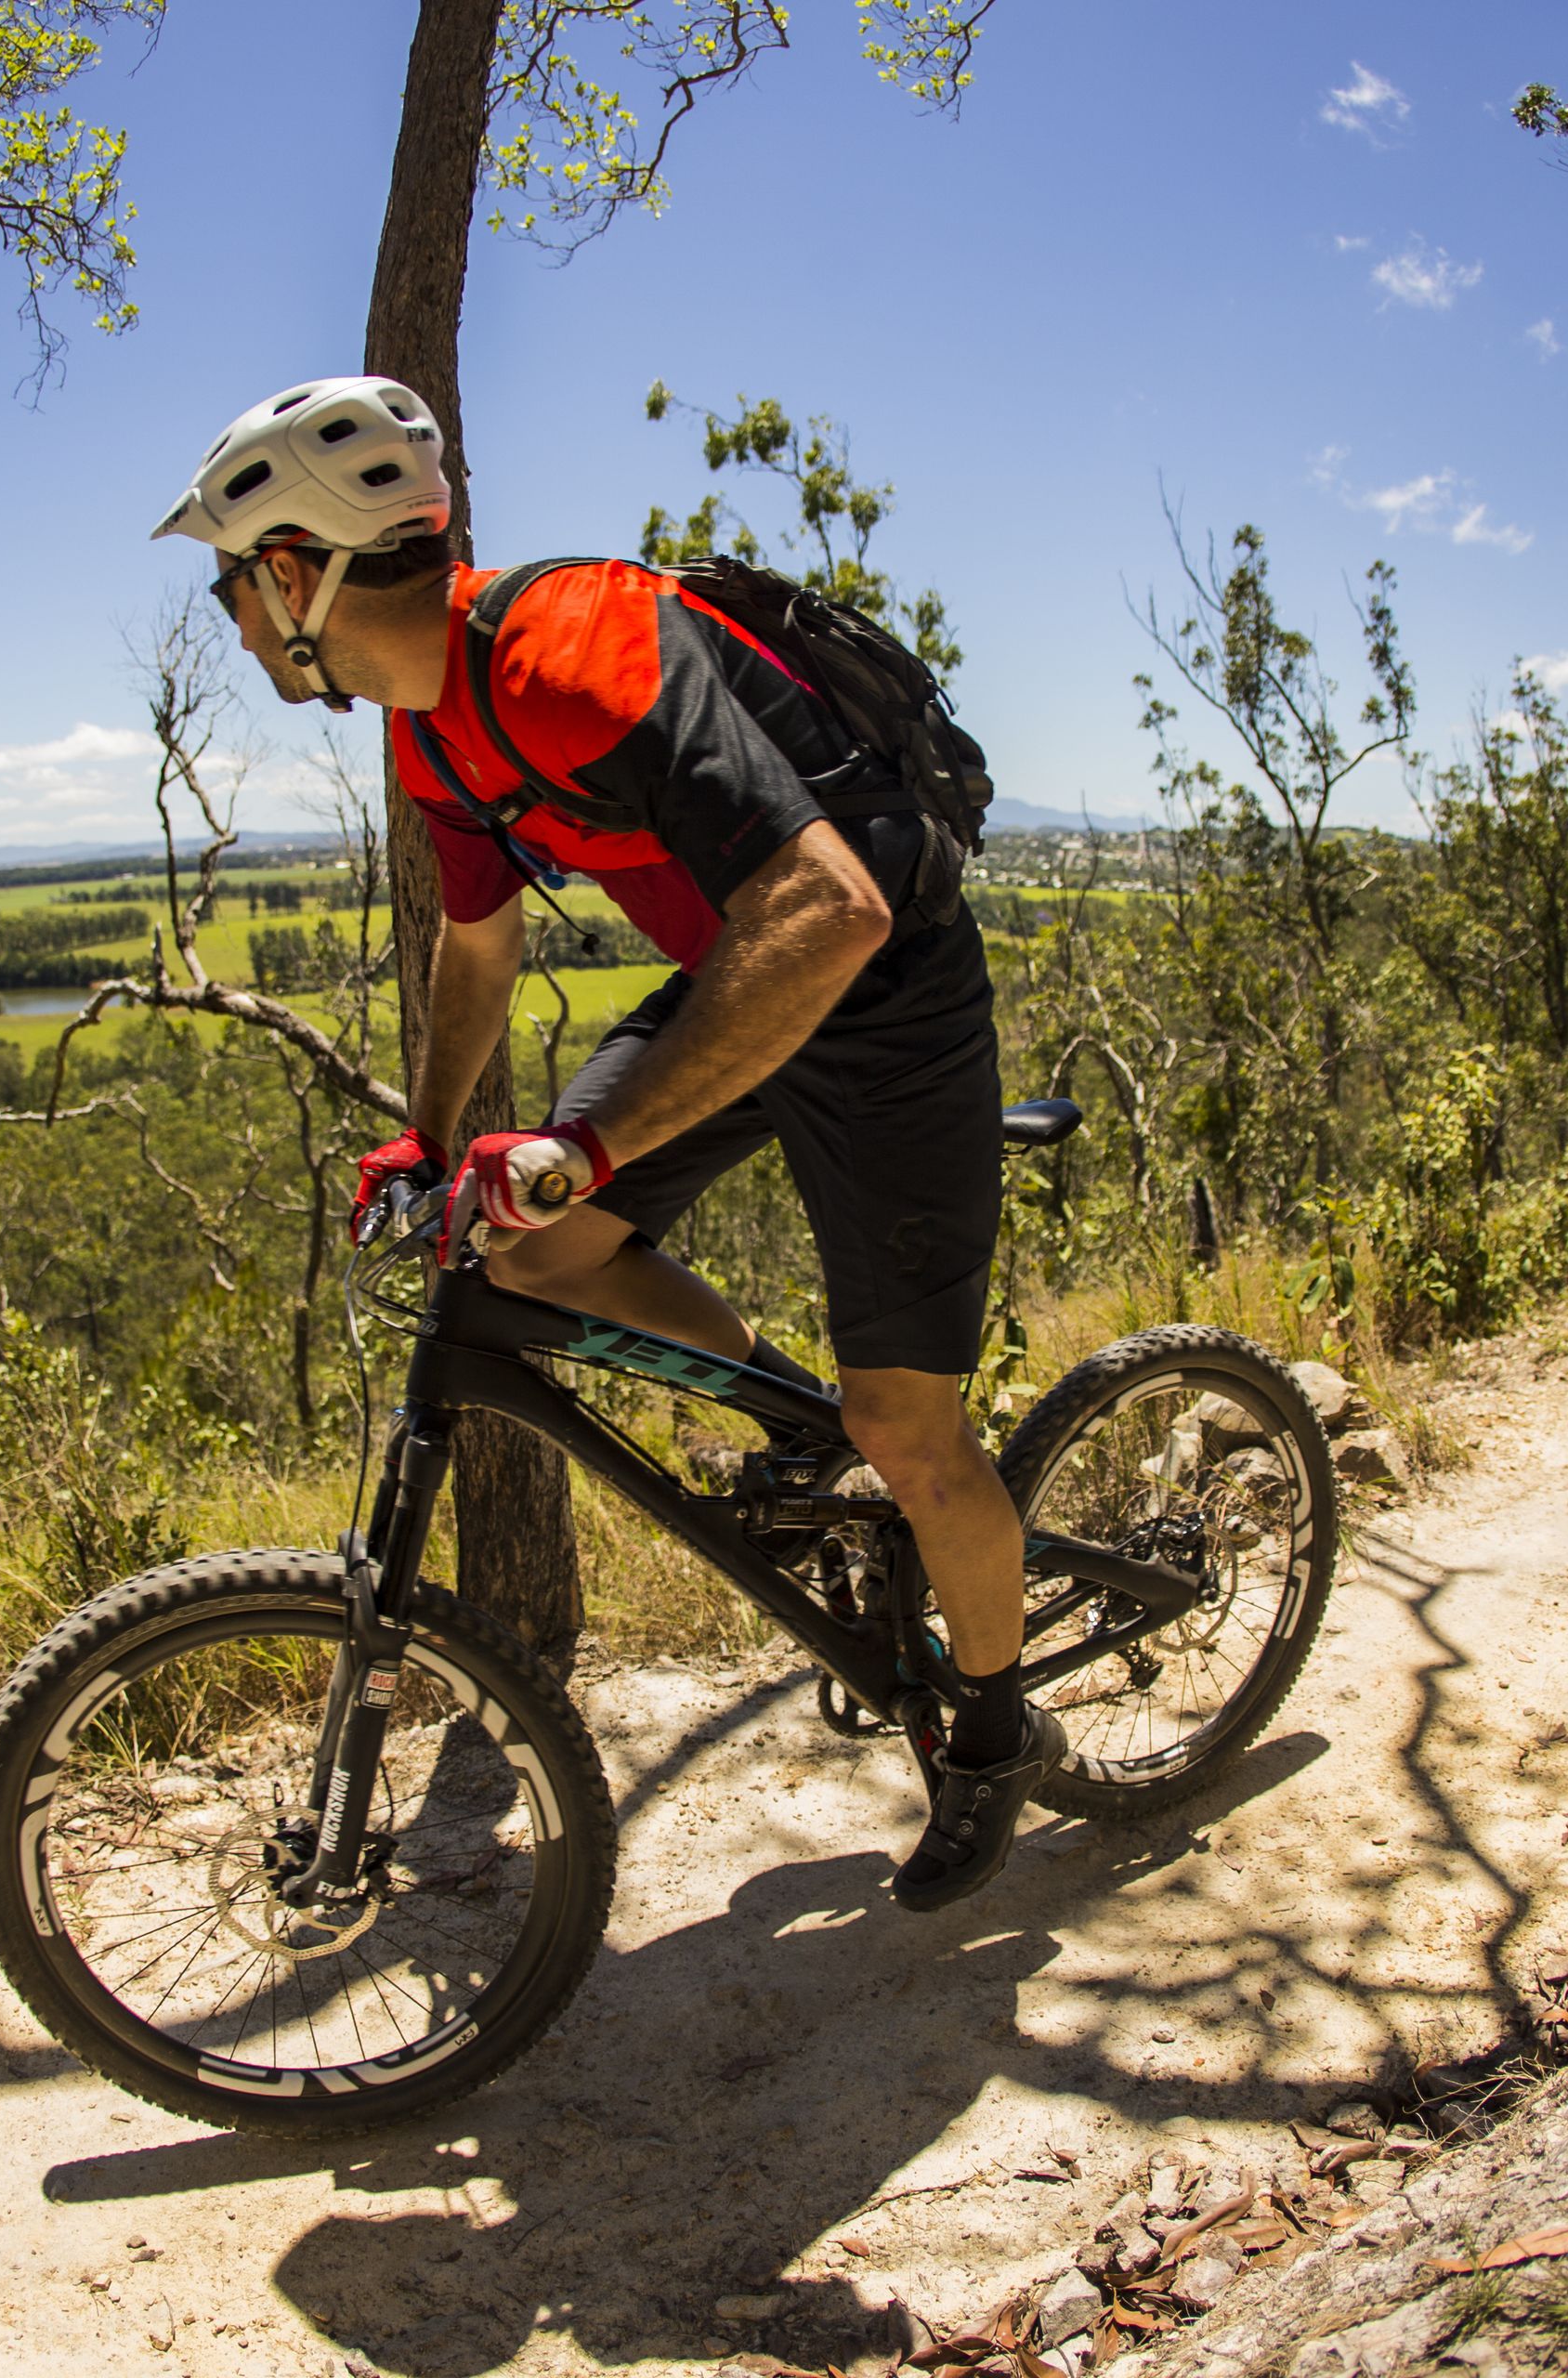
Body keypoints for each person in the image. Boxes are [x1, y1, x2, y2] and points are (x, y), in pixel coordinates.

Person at [150, 376, 1057, 1913]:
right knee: (532, 1241)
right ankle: (795, 1426)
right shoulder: (435, 727)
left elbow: (832, 909)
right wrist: (431, 1139)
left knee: (911, 1430)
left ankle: (988, 1728)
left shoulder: (575, 648)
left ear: (296, 571)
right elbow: (475, 952)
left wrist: (581, 1140)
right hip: (739, 987)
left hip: (882, 994)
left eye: (234, 582)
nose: (234, 620)